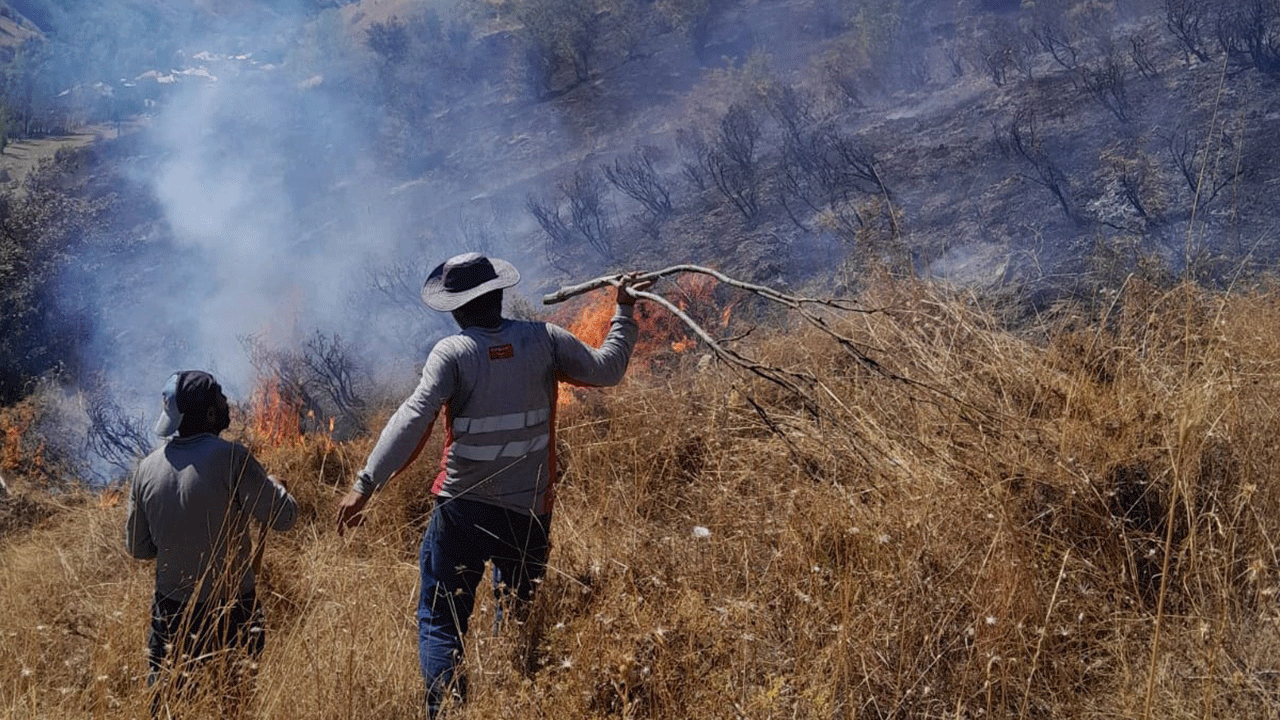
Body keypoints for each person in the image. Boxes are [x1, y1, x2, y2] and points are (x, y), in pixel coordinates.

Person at [335, 252, 650, 716]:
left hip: (462, 510)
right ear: (499, 296)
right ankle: (513, 703)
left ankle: (449, 712)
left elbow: (412, 420)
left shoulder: (455, 353)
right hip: (528, 511)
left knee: (442, 621)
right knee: (519, 614)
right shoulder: (544, 340)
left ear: (457, 309)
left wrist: (365, 484)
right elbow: (608, 370)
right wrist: (623, 310)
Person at [125, 370, 298, 700]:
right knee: (234, 700)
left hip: (172, 611)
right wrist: (276, 487)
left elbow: (138, 548)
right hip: (233, 610)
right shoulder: (233, 459)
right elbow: (284, 517)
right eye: (220, 396)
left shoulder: (146, 469)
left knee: (170, 702)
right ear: (207, 413)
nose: (227, 402)